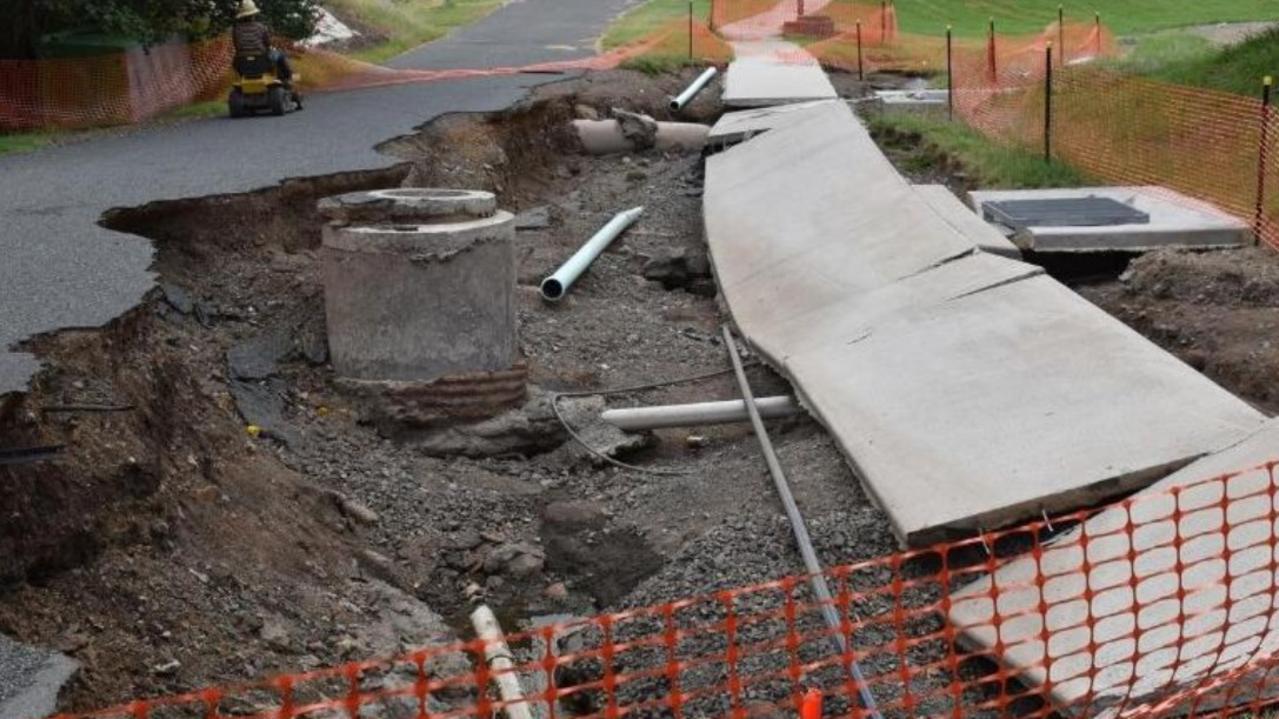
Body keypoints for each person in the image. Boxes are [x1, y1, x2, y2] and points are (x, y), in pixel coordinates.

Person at [231, 0, 292, 84]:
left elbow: (236, 46)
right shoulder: (261, 27)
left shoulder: (236, 29)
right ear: (253, 14)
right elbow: (268, 43)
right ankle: (287, 77)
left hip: (242, 63)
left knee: (236, 60)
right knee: (280, 54)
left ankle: (245, 78)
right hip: (261, 61)